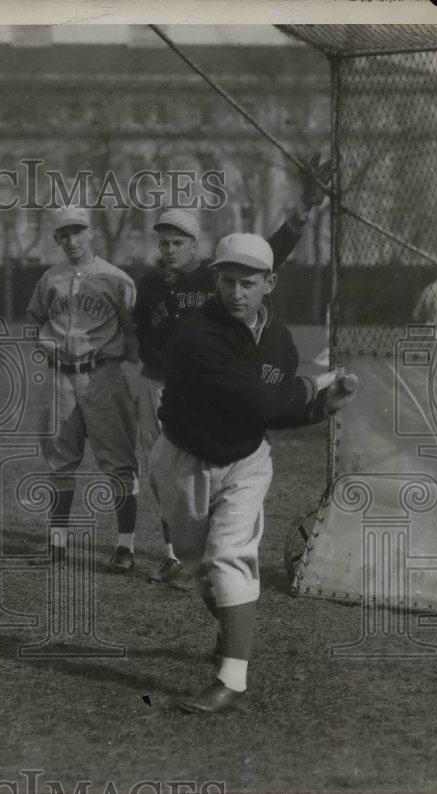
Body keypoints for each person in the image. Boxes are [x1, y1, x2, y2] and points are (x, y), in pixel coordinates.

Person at [149, 232, 357, 713]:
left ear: (270, 282)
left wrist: (318, 409)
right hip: (184, 459)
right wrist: (316, 385)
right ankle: (230, 637)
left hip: (245, 459)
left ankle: (232, 678)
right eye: (226, 281)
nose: (236, 293)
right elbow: (257, 399)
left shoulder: (279, 339)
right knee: (198, 565)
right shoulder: (196, 332)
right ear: (216, 281)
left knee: (228, 557)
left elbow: (268, 411)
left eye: (248, 282)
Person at [133, 154, 332, 583]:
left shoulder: (215, 277)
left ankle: (222, 548)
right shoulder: (149, 285)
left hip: (205, 390)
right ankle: (173, 553)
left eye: (178, 241)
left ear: (194, 244)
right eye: (163, 242)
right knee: (162, 473)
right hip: (158, 383)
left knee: (212, 464)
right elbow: (138, 335)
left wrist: (301, 211)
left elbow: (271, 254)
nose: (169, 249)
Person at [26, 206, 140, 571]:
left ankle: (125, 547)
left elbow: (132, 327)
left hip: (102, 375)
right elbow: (36, 319)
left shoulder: (116, 278)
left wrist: (122, 365)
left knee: (119, 462)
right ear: (57, 238)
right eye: (64, 233)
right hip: (60, 376)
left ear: (91, 232)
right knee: (60, 461)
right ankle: (57, 544)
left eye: (78, 231)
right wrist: (45, 345)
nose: (72, 239)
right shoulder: (50, 279)